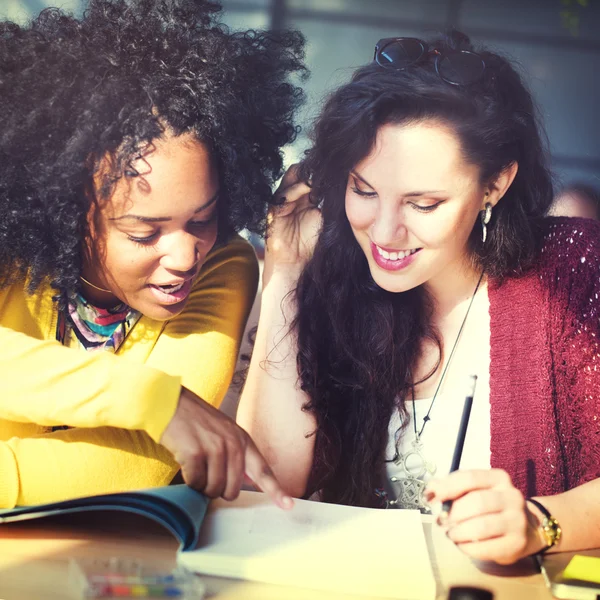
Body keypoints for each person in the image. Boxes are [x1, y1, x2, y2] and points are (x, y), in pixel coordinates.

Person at [237, 32, 600, 565]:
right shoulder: (337, 275)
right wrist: (286, 272)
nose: (384, 232)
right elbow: (261, 481)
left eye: (423, 203)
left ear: (495, 185)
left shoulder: (573, 271)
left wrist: (542, 521)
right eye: (364, 190)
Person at [0, 0, 305, 509]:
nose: (186, 256)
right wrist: (152, 397)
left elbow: (141, 460)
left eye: (202, 219)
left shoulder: (222, 265)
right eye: (144, 232)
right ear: (72, 212)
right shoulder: (13, 254)